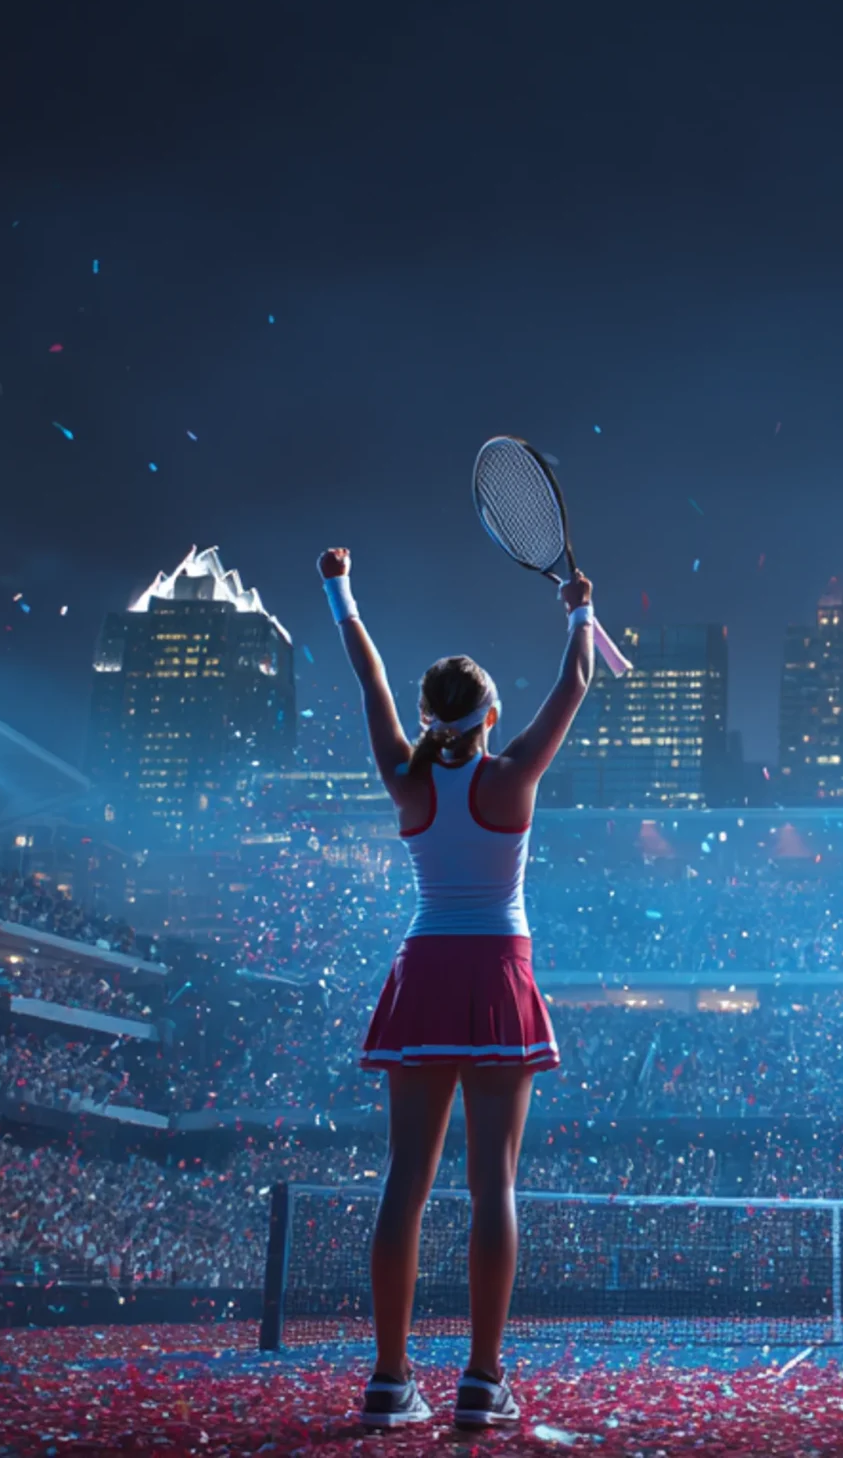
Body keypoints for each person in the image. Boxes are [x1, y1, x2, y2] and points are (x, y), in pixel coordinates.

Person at [320, 545, 594, 1430]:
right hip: (497, 969)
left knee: (405, 1179)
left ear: (433, 715)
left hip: (424, 966)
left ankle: (389, 1381)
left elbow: (369, 681)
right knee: (494, 1186)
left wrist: (341, 587)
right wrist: (578, 610)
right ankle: (482, 1380)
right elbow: (578, 682)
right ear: (489, 714)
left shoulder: (405, 779)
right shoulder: (511, 776)